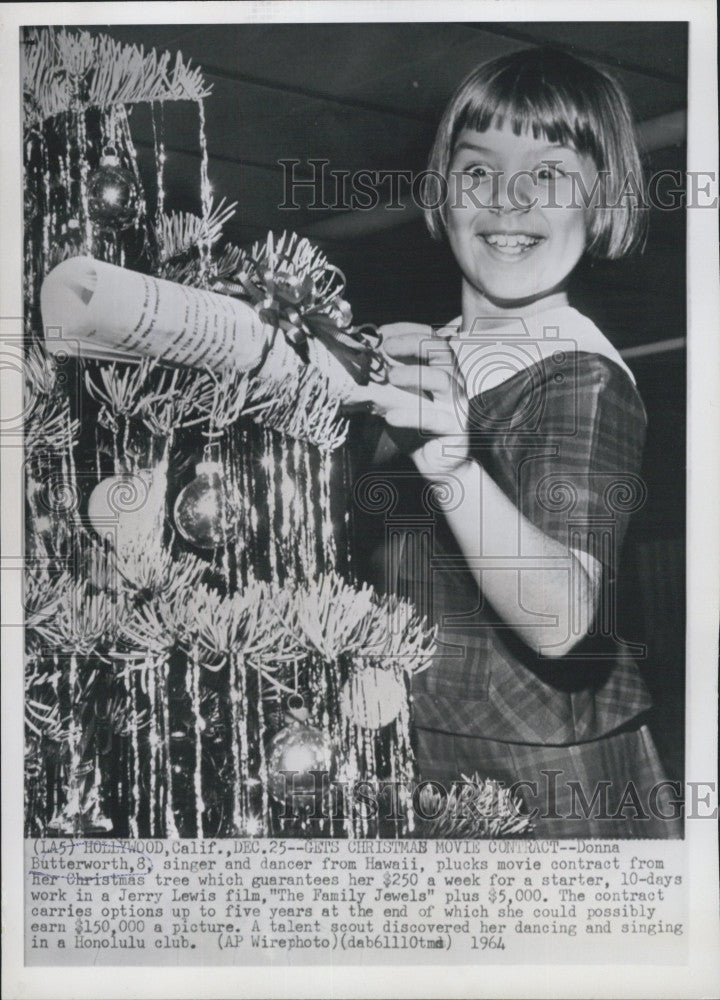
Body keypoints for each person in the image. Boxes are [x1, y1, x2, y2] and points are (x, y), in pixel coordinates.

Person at [369, 47, 681, 837]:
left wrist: (451, 464)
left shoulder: (579, 371)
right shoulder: (418, 358)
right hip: (412, 743)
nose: (508, 198)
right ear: (444, 190)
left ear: (601, 200)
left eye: (547, 174)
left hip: (541, 772)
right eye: (478, 171)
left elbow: (563, 620)